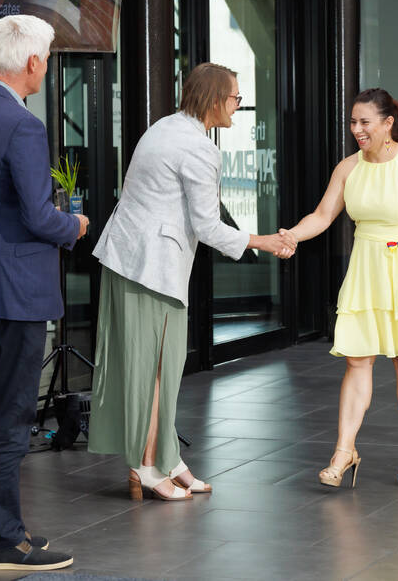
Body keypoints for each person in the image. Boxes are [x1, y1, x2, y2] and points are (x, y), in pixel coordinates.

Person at [88, 62, 294, 501]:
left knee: (159, 367)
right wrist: (267, 242)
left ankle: (167, 458)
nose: (238, 105)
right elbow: (208, 225)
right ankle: (146, 467)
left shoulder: (164, 127)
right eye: (235, 97)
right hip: (151, 270)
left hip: (129, 259)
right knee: (156, 370)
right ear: (216, 99)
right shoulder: (200, 148)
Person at [0, 15, 87, 571]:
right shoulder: (24, 126)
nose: (46, 67)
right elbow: (36, 216)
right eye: (47, 58)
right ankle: (2, 543)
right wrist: (74, 226)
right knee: (9, 418)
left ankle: (9, 527)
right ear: (32, 62)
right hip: (15, 295)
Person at [279, 88, 398, 489]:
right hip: (366, 268)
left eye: (365, 122)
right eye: (353, 122)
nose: (356, 129)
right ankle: (344, 450)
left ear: (387, 123)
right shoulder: (348, 167)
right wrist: (290, 236)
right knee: (357, 360)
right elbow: (324, 215)